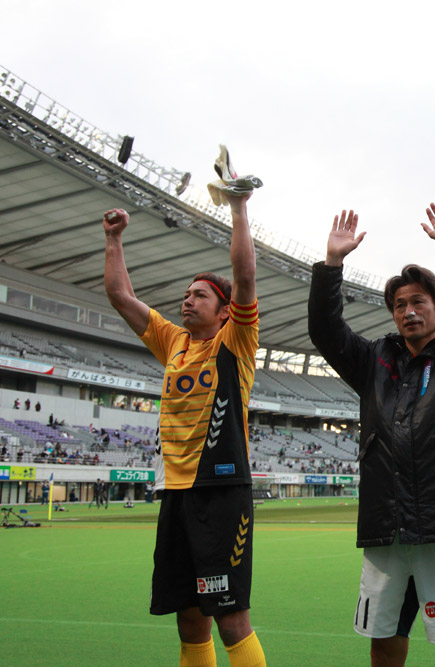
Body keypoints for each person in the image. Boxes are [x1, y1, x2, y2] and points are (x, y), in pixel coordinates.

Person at [308, 201, 435, 667]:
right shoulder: (373, 361)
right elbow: (325, 330)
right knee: (384, 640)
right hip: (386, 526)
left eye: (419, 302)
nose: (409, 312)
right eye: (400, 305)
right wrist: (331, 265)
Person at [102, 188, 265, 666]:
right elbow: (119, 295)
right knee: (189, 616)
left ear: (224, 311)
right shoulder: (173, 342)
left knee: (231, 616)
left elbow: (245, 275)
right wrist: (113, 239)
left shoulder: (236, 340)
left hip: (220, 490)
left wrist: (237, 209)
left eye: (200, 296)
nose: (187, 300)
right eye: (186, 294)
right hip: (175, 492)